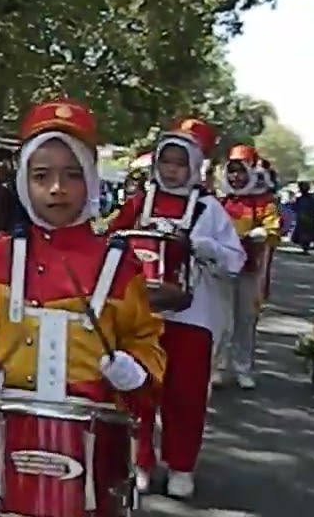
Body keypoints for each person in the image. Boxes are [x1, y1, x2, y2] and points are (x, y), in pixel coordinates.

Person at [0, 99, 165, 513]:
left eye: (72, 175)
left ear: (90, 181)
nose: (56, 189)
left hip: (91, 441)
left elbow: (146, 337)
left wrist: (135, 368)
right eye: (41, 176)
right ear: (23, 183)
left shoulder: (120, 263)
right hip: (5, 426)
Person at [106, 118, 245, 498]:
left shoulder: (210, 210)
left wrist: (205, 247)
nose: (171, 170)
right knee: (137, 389)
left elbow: (236, 261)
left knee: (186, 394)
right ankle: (141, 461)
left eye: (179, 163)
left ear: (194, 167)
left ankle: (182, 465)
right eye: (165, 162)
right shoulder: (136, 203)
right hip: (140, 316)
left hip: (193, 315)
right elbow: (105, 240)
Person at [215, 144, 280, 390]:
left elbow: (274, 228)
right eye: (231, 171)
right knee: (221, 320)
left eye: (240, 171)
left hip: (249, 267)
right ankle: (218, 367)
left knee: (246, 319)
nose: (235, 177)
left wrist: (263, 232)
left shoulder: (263, 201)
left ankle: (243, 367)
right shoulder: (218, 200)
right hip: (220, 267)